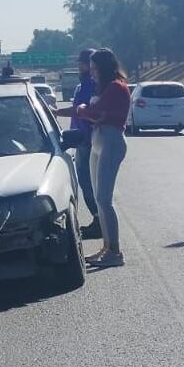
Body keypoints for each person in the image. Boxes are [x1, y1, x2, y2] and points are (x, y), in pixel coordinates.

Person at [74, 48, 131, 268]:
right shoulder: (105, 87)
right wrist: (67, 111)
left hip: (110, 141)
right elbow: (89, 111)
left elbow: (95, 112)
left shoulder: (117, 87)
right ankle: (107, 247)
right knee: (99, 199)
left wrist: (82, 109)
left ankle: (115, 251)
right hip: (98, 141)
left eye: (95, 68)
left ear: (104, 67)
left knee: (105, 200)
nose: (92, 72)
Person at [52, 49, 102, 239]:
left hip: (87, 139)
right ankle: (98, 219)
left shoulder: (92, 84)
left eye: (83, 62)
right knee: (86, 181)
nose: (80, 65)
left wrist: (57, 112)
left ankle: (99, 220)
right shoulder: (83, 84)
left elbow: (81, 110)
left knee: (89, 182)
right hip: (81, 139)